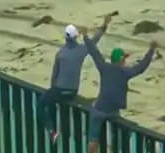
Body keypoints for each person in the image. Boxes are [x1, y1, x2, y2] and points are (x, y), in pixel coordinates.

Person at [80, 33, 157, 153]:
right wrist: (151, 50)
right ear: (121, 60)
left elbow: (94, 52)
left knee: (93, 138)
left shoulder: (104, 67)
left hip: (99, 108)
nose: (125, 61)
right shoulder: (125, 72)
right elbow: (141, 68)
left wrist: (85, 37)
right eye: (124, 58)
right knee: (120, 130)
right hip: (113, 112)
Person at [39, 15, 112, 143]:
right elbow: (95, 39)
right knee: (61, 104)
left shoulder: (61, 53)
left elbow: (54, 76)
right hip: (72, 91)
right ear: (76, 37)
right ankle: (65, 133)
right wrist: (104, 25)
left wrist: (53, 90)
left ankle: (51, 131)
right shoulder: (81, 50)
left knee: (41, 105)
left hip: (59, 90)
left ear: (66, 37)